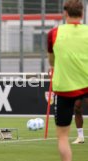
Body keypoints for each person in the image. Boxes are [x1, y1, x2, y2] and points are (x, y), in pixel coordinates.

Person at [47, 0, 88, 160]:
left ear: (65, 13)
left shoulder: (54, 33)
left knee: (63, 137)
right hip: (86, 82)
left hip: (65, 87)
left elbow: (52, 61)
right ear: (82, 13)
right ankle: (80, 135)